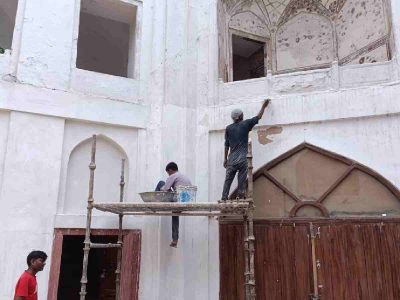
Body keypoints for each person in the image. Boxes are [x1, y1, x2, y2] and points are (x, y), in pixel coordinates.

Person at [221, 99, 271, 200]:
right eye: (242, 114)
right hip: (242, 158)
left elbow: (226, 145)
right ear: (240, 116)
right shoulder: (246, 124)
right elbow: (258, 117)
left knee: (228, 179)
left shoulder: (228, 128)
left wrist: (225, 159)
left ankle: (224, 197)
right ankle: (240, 195)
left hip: (231, 159)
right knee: (241, 178)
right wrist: (264, 106)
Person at [156, 162, 191, 248]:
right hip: (186, 200)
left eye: (168, 173)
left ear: (170, 170)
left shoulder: (173, 176)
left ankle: (155, 200)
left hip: (178, 199)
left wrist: (160, 189)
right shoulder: (184, 177)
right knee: (175, 215)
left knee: (161, 183)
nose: (168, 174)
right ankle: (175, 239)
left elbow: (165, 189)